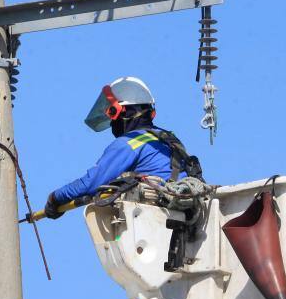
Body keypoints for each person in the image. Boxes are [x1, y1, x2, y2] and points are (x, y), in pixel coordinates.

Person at [42, 77, 202, 219]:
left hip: (159, 216)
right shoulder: (168, 138)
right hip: (185, 212)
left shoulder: (129, 142)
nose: (112, 123)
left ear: (121, 112)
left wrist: (55, 198)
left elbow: (91, 183)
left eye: (113, 116)